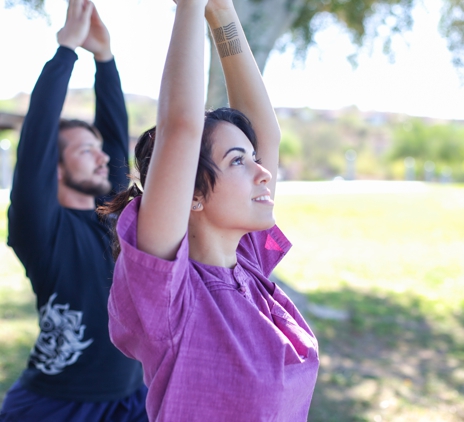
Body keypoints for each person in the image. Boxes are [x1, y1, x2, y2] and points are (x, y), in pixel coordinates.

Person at [100, 0, 319, 420]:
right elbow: (181, 126)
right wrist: (190, 6)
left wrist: (222, 13)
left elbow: (266, 133)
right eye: (239, 160)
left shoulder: (248, 263)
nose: (263, 172)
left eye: (254, 158)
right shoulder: (170, 294)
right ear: (193, 195)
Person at [0, 1, 147, 421]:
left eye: (100, 150)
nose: (103, 159)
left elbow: (116, 140)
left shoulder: (112, 217)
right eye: (86, 151)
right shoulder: (39, 229)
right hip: (57, 405)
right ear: (56, 169)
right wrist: (66, 50)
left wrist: (105, 59)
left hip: (133, 397)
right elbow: (36, 142)